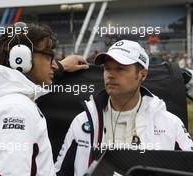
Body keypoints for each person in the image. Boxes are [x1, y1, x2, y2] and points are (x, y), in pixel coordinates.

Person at [0, 22, 88, 176]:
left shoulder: (0, 98)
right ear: (21, 58)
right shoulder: (14, 109)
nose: (53, 65)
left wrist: (61, 66)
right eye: (48, 55)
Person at [55, 40, 193, 176]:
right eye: (107, 68)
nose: (110, 74)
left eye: (120, 69)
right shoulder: (82, 122)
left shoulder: (170, 124)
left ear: (142, 74)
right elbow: (59, 172)